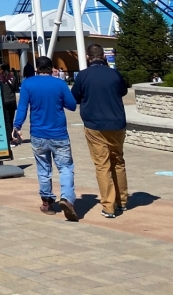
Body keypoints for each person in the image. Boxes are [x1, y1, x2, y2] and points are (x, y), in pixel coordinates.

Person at [12, 56, 79, 221]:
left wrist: (17, 127)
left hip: (38, 134)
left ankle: (47, 203)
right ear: (52, 69)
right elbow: (72, 105)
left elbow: (22, 108)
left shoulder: (28, 84)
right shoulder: (59, 84)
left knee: (43, 169)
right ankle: (67, 198)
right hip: (59, 134)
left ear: (37, 69)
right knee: (65, 168)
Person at [71, 43, 130, 218]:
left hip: (94, 125)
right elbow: (123, 91)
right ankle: (122, 200)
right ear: (103, 56)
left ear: (88, 57)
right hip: (117, 123)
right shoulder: (114, 74)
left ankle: (108, 206)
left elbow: (74, 98)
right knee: (118, 160)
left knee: (102, 165)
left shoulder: (83, 76)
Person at [0, 64, 17, 136]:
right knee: (11, 119)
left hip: (4, 100)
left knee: (6, 120)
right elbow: (16, 88)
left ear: (1, 69)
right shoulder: (13, 77)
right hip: (12, 100)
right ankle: (13, 134)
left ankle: (10, 137)